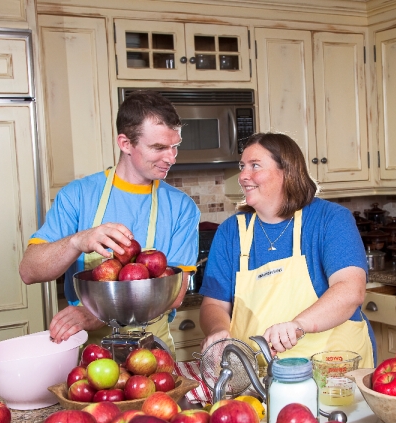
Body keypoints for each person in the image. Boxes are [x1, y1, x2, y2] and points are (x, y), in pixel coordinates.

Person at [19, 90, 201, 354]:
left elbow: (175, 295)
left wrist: (100, 314)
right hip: (90, 352)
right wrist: (77, 241)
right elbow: (29, 271)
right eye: (159, 147)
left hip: (153, 351)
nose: (171, 158)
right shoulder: (78, 195)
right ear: (125, 143)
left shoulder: (181, 207)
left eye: (175, 146)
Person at [199, 132, 376, 368]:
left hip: (333, 369)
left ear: (287, 171)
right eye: (242, 166)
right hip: (257, 373)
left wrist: (298, 325)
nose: (242, 176)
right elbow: (214, 304)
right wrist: (218, 331)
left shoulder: (330, 219)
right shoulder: (231, 232)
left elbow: (350, 290)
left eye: (255, 166)